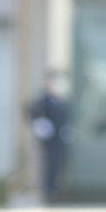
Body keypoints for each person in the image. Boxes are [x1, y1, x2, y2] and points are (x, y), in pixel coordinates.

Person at [27, 71, 71, 202]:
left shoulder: (62, 101)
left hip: (60, 139)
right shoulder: (43, 101)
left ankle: (56, 191)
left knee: (59, 166)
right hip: (50, 140)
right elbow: (32, 113)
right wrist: (41, 126)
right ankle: (49, 192)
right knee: (50, 166)